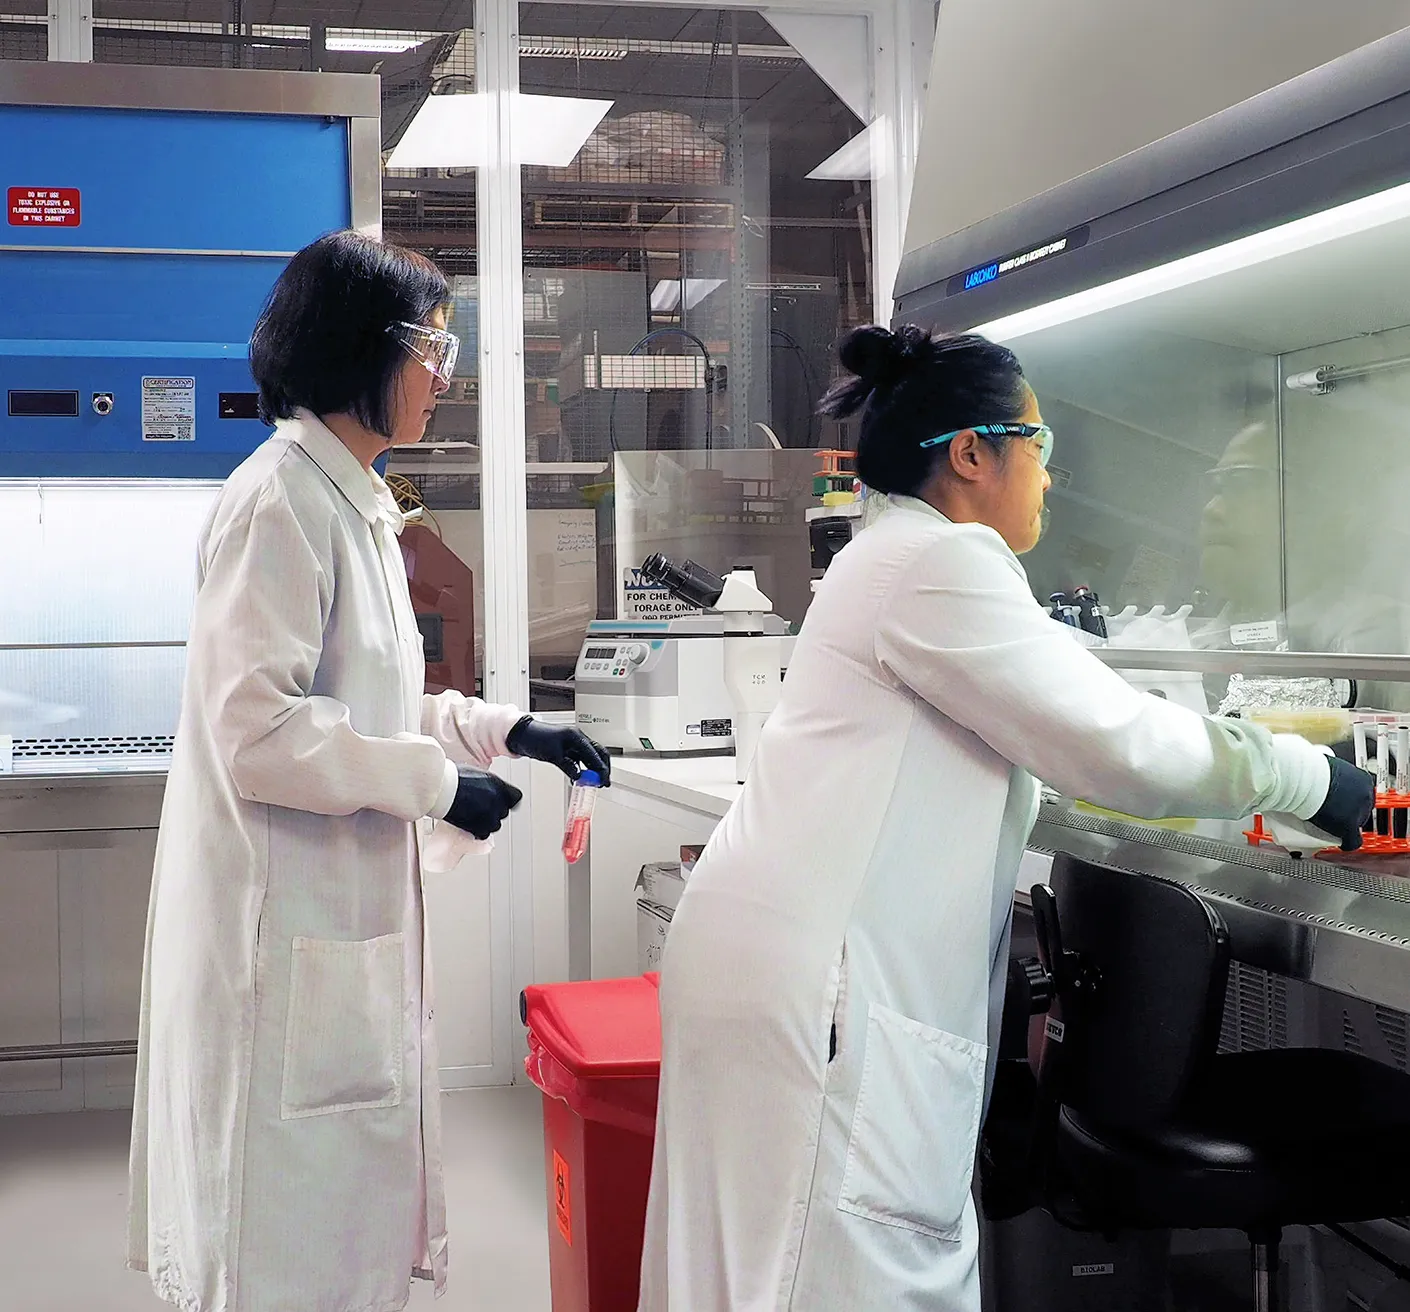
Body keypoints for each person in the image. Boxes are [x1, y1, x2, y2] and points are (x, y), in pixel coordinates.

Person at [636, 325, 1373, 1312]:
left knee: (769, 1267)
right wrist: (1305, 776)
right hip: (819, 991)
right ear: (973, 452)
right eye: (1041, 445)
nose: (1050, 477)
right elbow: (1115, 742)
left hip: (782, 965)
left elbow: (1070, 722)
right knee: (839, 1270)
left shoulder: (893, 557)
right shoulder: (939, 563)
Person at [127, 231, 610, 1312]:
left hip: (332, 936)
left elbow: (380, 704)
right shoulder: (281, 501)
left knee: (340, 1238)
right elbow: (259, 731)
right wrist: (439, 786)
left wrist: (507, 732)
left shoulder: (354, 502)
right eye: (433, 346)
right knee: (282, 1250)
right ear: (361, 348)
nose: (445, 375)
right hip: (281, 946)